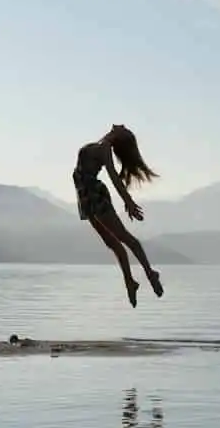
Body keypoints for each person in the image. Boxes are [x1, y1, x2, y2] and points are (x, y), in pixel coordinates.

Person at [73, 124, 163, 308]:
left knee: (123, 237)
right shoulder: (101, 143)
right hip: (84, 195)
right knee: (112, 244)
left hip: (93, 194)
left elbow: (114, 177)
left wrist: (128, 201)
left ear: (120, 137)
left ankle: (149, 272)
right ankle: (130, 281)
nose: (120, 125)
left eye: (124, 129)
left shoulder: (105, 148)